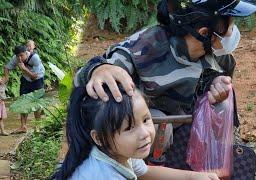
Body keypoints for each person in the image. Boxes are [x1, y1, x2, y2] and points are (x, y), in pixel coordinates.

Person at [74, 0, 256, 168]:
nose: (233, 33)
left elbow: (214, 90)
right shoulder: (144, 48)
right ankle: (140, 171)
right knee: (158, 127)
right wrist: (99, 69)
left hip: (187, 131)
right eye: (231, 26)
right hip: (146, 139)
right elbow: (84, 79)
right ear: (204, 33)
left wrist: (216, 87)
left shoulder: (220, 56)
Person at [54, 85, 219, 180]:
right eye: (128, 128)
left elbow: (145, 171)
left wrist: (193, 177)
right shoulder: (104, 175)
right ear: (99, 138)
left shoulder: (118, 152)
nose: (145, 133)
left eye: (146, 120)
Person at [4, 45, 45, 133]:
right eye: (18, 56)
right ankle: (23, 126)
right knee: (23, 101)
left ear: (26, 53)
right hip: (26, 80)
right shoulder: (16, 58)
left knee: (36, 102)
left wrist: (24, 69)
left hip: (37, 79)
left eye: (21, 55)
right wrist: (6, 78)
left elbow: (34, 76)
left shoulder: (35, 58)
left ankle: (38, 126)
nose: (20, 58)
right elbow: (7, 67)